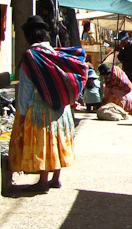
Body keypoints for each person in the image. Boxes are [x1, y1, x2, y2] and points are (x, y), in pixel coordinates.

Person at [9, 16, 87, 192]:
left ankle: (43, 182)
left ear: (29, 37)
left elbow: (25, 90)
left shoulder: (31, 57)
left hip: (40, 108)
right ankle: (56, 179)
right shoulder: (55, 53)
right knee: (57, 141)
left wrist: (22, 115)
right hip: (61, 107)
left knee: (43, 143)